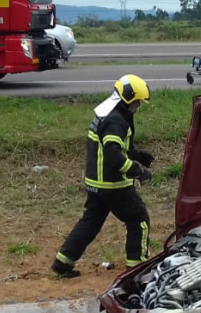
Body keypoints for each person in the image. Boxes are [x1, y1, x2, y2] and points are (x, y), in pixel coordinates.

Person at [52, 75, 155, 278]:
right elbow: (113, 155)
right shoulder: (116, 120)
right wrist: (137, 170)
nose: (137, 107)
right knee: (138, 219)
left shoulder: (107, 113)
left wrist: (136, 154)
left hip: (96, 183)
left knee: (90, 223)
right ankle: (136, 269)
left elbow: (114, 146)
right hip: (113, 185)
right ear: (127, 99)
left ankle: (62, 263)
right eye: (136, 103)